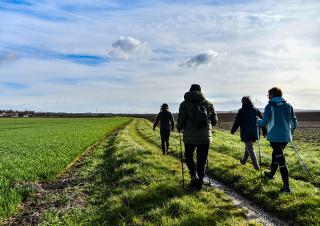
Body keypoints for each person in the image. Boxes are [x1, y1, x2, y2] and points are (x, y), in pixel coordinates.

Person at [177, 84, 218, 190]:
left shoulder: (184, 104)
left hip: (189, 137)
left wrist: (178, 128)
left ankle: (193, 175)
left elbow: (181, 120)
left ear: (190, 91)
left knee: (188, 156)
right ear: (200, 91)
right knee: (202, 160)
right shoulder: (208, 104)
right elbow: (214, 121)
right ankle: (200, 181)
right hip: (205, 137)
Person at [257, 87, 297, 193]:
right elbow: (294, 123)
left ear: (273, 94)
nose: (268, 97)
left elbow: (264, 123)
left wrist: (258, 121)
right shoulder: (288, 105)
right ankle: (271, 175)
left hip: (274, 137)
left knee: (280, 159)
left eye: (269, 95)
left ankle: (286, 186)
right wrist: (289, 133)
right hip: (286, 137)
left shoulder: (270, 106)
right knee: (275, 155)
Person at [231, 96, 267, 170]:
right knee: (248, 147)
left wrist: (233, 130)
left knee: (250, 148)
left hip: (246, 133)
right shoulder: (256, 110)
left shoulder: (241, 111)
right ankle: (244, 161)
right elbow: (262, 121)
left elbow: (237, 122)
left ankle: (256, 166)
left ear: (243, 102)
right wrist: (264, 132)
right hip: (255, 133)